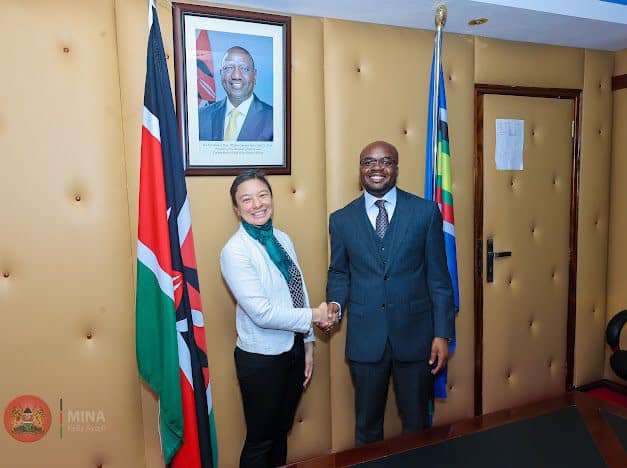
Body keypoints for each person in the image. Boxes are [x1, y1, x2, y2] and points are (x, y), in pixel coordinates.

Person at [325, 140, 455, 446]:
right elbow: (340, 272)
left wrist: (442, 334)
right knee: (367, 427)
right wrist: (334, 303)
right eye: (368, 162)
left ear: (396, 168)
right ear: (360, 170)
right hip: (366, 339)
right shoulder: (341, 220)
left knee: (417, 425)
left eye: (385, 162)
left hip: (416, 337)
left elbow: (438, 278)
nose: (376, 169)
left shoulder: (425, 213)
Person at [220, 169, 332, 467]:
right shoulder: (235, 252)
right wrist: (314, 316)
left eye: (263, 195)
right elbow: (262, 313)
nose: (257, 204)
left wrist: (308, 345)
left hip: (293, 351)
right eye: (247, 199)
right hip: (261, 359)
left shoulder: (282, 238)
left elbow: (298, 289)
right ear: (236, 209)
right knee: (261, 440)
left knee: (281, 432)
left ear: (272, 198)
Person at [199, 46, 273, 141]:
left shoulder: (273, 119)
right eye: (229, 68)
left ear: (254, 76)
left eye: (244, 68)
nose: (236, 76)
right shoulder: (201, 117)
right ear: (221, 74)